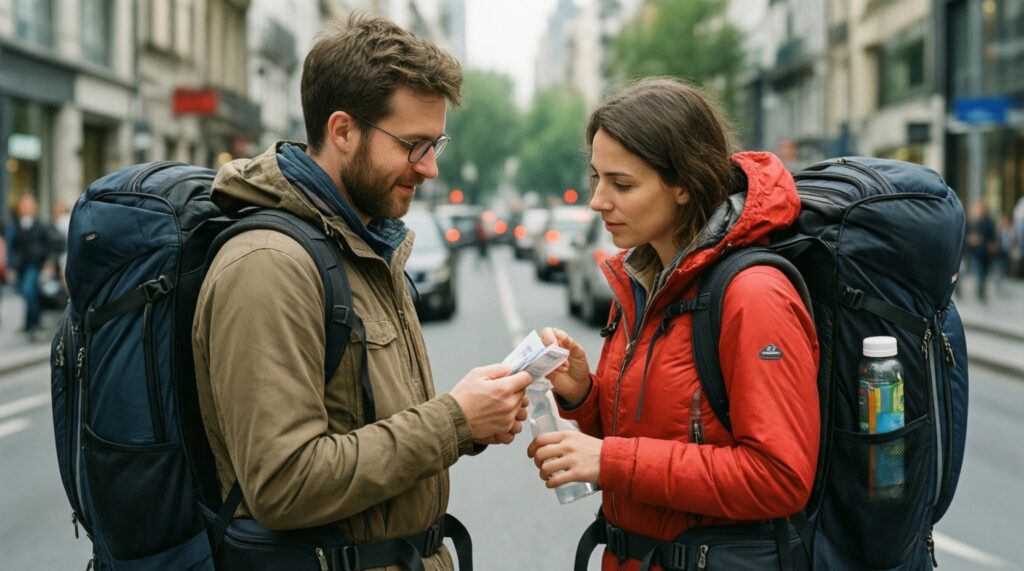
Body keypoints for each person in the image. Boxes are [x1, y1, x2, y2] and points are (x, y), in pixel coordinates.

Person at [192, 14, 532, 569]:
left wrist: (472, 421)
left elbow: (362, 419)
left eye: (436, 144)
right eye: (413, 145)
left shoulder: (361, 242)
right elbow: (284, 484)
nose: (430, 169)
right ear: (343, 130)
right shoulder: (270, 266)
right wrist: (452, 420)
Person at [526, 78, 820, 569]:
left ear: (683, 184)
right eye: (597, 177)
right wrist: (583, 396)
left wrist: (608, 462)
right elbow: (662, 429)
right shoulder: (642, 280)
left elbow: (779, 477)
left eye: (622, 184)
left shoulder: (753, 295)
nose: (597, 200)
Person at [7, 194, 52, 337]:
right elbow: (11, 247)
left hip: (35, 264)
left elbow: (47, 245)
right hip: (21, 266)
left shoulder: (41, 225)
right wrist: (11, 267)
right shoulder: (14, 225)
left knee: (28, 291)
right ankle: (30, 322)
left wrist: (47, 263)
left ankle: (34, 323)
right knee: (30, 293)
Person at [965, 200, 996, 302]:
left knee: (984, 274)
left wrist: (992, 245)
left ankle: (981, 291)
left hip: (986, 253)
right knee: (979, 273)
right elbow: (967, 235)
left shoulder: (988, 222)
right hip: (975, 252)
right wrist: (971, 239)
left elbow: (993, 236)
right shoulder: (973, 222)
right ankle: (979, 292)